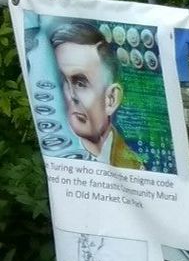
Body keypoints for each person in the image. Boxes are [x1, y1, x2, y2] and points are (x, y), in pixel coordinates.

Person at [48, 20, 142, 168]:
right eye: (64, 81)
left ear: (111, 99)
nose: (71, 95)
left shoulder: (136, 166)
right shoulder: (54, 151)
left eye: (80, 83)